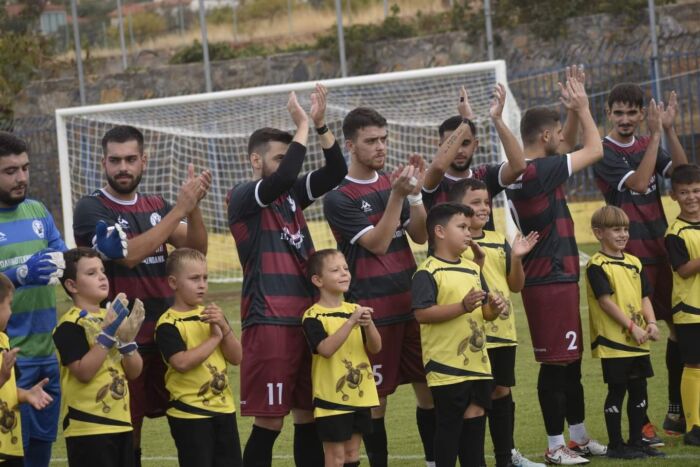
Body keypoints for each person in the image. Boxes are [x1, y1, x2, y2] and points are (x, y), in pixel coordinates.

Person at [72, 124, 211, 467]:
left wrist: (192, 207)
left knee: (189, 420)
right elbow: (128, 256)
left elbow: (195, 250)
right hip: (122, 340)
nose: (123, 167)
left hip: (167, 336)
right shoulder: (92, 208)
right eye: (115, 160)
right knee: (128, 428)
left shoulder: (156, 205)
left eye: (130, 159)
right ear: (103, 163)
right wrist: (179, 211)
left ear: (143, 161)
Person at [227, 85, 347, 467]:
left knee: (308, 415)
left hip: (306, 319)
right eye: (277, 158)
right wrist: (301, 127)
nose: (284, 165)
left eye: (285, 157)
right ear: (255, 160)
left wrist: (320, 124)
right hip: (269, 320)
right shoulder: (243, 196)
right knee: (270, 421)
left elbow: (337, 172)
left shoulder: (290, 194)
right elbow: (282, 178)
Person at [505, 70, 607, 464]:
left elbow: (562, 145)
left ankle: (577, 437)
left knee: (570, 360)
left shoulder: (533, 168)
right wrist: (584, 108)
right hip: (546, 279)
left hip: (557, 276)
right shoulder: (538, 172)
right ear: (545, 136)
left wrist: (570, 111)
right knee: (556, 363)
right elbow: (593, 149)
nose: (563, 139)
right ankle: (554, 445)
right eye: (557, 133)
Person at [323, 107, 433, 467]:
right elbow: (378, 244)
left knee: (429, 392)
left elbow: (420, 235)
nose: (380, 146)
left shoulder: (391, 183)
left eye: (384, 139)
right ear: (350, 146)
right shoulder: (338, 197)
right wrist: (398, 196)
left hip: (411, 305)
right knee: (376, 402)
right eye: (371, 141)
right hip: (373, 313)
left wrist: (415, 197)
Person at [595, 82, 688, 439]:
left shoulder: (646, 142)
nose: (625, 119)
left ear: (640, 114)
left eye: (632, 112)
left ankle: (677, 411)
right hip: (628, 259)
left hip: (661, 251)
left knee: (679, 329)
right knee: (636, 335)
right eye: (618, 112)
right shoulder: (603, 151)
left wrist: (669, 130)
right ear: (608, 113)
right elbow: (638, 183)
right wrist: (655, 137)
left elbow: (682, 174)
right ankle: (641, 423)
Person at [450, 178, 543, 467]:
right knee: (475, 399)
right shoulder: (456, 244)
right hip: (473, 334)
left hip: (503, 332)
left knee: (502, 390)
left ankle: (506, 458)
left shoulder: (498, 238)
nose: (483, 208)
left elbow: (516, 286)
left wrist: (517, 259)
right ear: (458, 207)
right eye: (475, 202)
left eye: (486, 202)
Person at [412, 202, 507, 467]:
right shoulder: (427, 271)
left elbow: (485, 313)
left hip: (478, 365)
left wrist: (494, 308)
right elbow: (422, 313)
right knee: (449, 428)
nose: (469, 232)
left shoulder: (473, 268)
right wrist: (462, 306)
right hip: (447, 367)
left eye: (469, 227)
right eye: (462, 227)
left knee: (475, 422)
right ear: (440, 231)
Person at [0, 131, 65, 467]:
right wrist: (17, 275)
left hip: (45, 353)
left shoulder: (38, 211)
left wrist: (98, 252)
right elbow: (19, 276)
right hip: (8, 360)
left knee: (41, 449)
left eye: (25, 168)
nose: (21, 178)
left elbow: (65, 262)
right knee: (12, 453)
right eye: (10, 171)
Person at [53, 247, 145, 467]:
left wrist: (127, 343)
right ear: (72, 285)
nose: (102, 277)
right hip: (88, 426)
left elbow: (134, 371)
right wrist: (107, 335)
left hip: (121, 422)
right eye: (91, 273)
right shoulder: (69, 324)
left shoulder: (111, 316)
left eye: (102, 271)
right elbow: (83, 372)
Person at [585, 206, 664, 459]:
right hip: (614, 342)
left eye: (626, 229)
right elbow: (605, 302)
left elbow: (644, 297)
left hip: (639, 340)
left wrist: (651, 323)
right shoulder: (597, 265)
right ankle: (616, 445)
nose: (623, 234)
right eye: (616, 229)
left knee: (640, 390)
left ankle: (636, 442)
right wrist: (632, 327)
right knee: (617, 390)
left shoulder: (634, 262)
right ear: (599, 233)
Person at [155, 248, 243, 466]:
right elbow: (181, 363)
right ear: (173, 282)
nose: (202, 284)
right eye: (194, 279)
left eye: (205, 278)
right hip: (190, 413)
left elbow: (236, 357)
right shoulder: (168, 323)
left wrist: (224, 327)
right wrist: (214, 338)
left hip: (224, 409)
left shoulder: (211, 315)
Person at [301, 249, 381, 467]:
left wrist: (369, 324)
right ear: (318, 280)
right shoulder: (313, 315)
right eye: (335, 270)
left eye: (345, 268)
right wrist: (351, 322)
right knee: (336, 457)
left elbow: (375, 347)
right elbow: (325, 349)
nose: (344, 273)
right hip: (332, 398)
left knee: (352, 454)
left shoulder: (354, 309)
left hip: (360, 395)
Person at [422, 84, 527, 230]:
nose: (459, 151)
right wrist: (467, 121)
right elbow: (439, 166)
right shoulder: (432, 180)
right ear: (441, 147)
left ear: (475, 145)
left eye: (465, 143)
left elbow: (519, 166)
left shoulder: (484, 176)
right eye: (452, 145)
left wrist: (497, 119)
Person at [0, 273, 53, 467]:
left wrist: (26, 394)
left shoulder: (4, 340)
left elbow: (8, 389)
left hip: (10, 447)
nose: (11, 312)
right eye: (9, 304)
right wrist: (1, 377)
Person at [665, 164, 700, 446]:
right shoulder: (675, 233)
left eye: (697, 190)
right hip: (690, 310)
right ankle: (693, 426)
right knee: (693, 364)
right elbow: (684, 270)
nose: (692, 197)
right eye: (685, 192)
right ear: (673, 196)